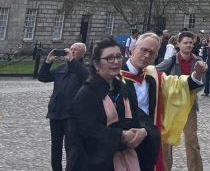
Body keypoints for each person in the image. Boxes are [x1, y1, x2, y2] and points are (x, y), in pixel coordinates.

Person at [69, 39, 160, 171]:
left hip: (127, 160)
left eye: (118, 57)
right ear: (96, 64)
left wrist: (143, 131)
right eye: (109, 58)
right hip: (98, 163)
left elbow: (139, 117)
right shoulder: (87, 94)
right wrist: (121, 136)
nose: (116, 62)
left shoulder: (123, 89)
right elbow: (88, 131)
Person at [121, 32, 205, 171]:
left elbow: (177, 86)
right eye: (144, 50)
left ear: (156, 56)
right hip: (125, 139)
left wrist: (197, 74)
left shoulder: (153, 75)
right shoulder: (115, 77)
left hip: (148, 138)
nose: (147, 55)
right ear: (133, 48)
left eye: (152, 53)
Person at [155, 32, 205, 171]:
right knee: (166, 141)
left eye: (190, 43)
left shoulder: (197, 60)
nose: (188, 45)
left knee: (192, 140)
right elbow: (155, 73)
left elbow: (202, 83)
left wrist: (197, 80)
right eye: (185, 42)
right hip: (171, 106)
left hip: (189, 105)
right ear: (178, 44)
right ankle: (164, 168)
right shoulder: (171, 60)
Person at [38, 42, 88, 171]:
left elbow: (85, 77)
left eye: (75, 50)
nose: (72, 51)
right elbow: (43, 77)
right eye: (71, 49)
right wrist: (48, 62)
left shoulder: (84, 68)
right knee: (56, 147)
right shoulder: (60, 68)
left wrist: (72, 60)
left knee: (71, 148)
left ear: (83, 53)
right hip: (56, 112)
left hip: (71, 114)